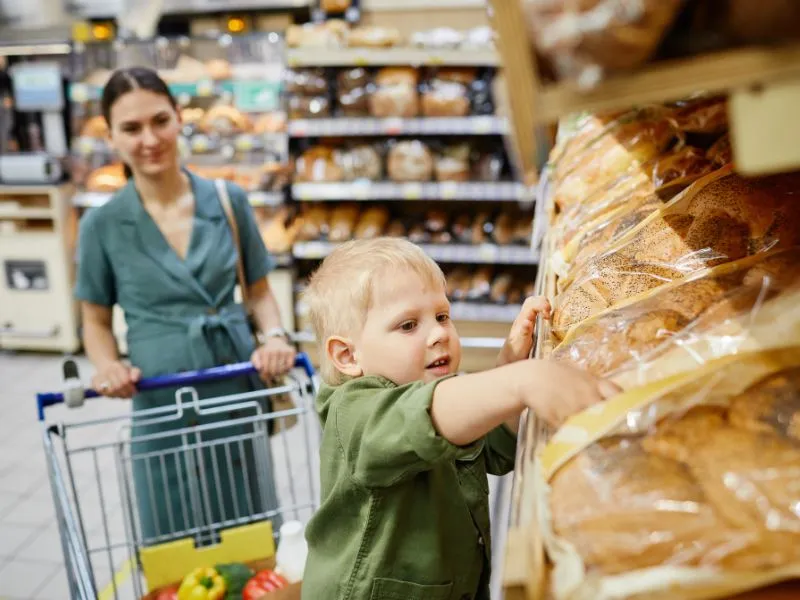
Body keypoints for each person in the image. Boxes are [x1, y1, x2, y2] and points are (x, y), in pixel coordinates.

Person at [300, 237, 619, 600]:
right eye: (408, 325)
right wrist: (518, 382)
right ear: (347, 355)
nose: (438, 334)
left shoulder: (448, 401)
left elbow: (493, 451)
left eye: (442, 316)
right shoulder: (354, 413)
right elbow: (416, 418)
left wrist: (510, 363)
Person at [74, 67, 296, 545]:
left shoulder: (228, 200)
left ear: (179, 118)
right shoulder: (103, 225)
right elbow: (93, 320)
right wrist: (108, 365)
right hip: (160, 399)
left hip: (233, 386)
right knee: (173, 540)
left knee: (252, 534)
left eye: (159, 121)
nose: (149, 139)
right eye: (131, 129)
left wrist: (276, 336)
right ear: (111, 137)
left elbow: (258, 291)